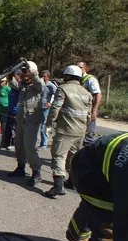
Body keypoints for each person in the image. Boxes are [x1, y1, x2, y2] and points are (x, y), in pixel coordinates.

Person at [65, 132, 128, 241]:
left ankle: (75, 232)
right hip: (87, 173)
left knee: (94, 207)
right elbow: (123, 226)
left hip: (99, 163)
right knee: (107, 230)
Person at [44, 65, 92, 197]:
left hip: (65, 130)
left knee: (59, 155)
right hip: (80, 131)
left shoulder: (63, 89)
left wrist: (49, 123)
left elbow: (55, 108)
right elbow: (88, 115)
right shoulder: (86, 93)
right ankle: (72, 182)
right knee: (74, 157)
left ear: (68, 76)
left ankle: (58, 186)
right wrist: (84, 127)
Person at [8, 61, 45, 186]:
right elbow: (13, 84)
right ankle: (20, 168)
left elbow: (40, 85)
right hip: (21, 119)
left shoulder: (38, 85)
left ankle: (36, 173)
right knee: (19, 145)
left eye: (27, 72)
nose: (24, 75)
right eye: (23, 72)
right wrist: (11, 73)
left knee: (30, 147)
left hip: (32, 120)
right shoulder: (23, 85)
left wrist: (32, 72)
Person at [77, 61, 102, 145]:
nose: (78, 69)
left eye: (80, 67)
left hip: (88, 110)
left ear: (85, 68)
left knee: (88, 136)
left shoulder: (90, 79)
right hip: (78, 110)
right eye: (77, 67)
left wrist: (94, 110)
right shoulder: (75, 79)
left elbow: (98, 94)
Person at [39, 70, 57, 149]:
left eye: (44, 76)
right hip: (38, 107)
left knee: (44, 125)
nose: (43, 77)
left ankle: (44, 144)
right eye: (42, 76)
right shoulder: (40, 84)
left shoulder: (51, 85)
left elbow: (57, 95)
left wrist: (51, 102)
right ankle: (38, 142)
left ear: (48, 77)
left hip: (46, 108)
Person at [3, 71, 21, 149]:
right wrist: (10, 72)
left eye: (15, 76)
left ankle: (14, 144)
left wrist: (11, 74)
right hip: (10, 111)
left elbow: (13, 82)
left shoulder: (19, 87)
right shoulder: (12, 88)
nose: (14, 78)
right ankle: (6, 143)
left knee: (14, 129)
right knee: (8, 129)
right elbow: (10, 82)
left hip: (16, 112)